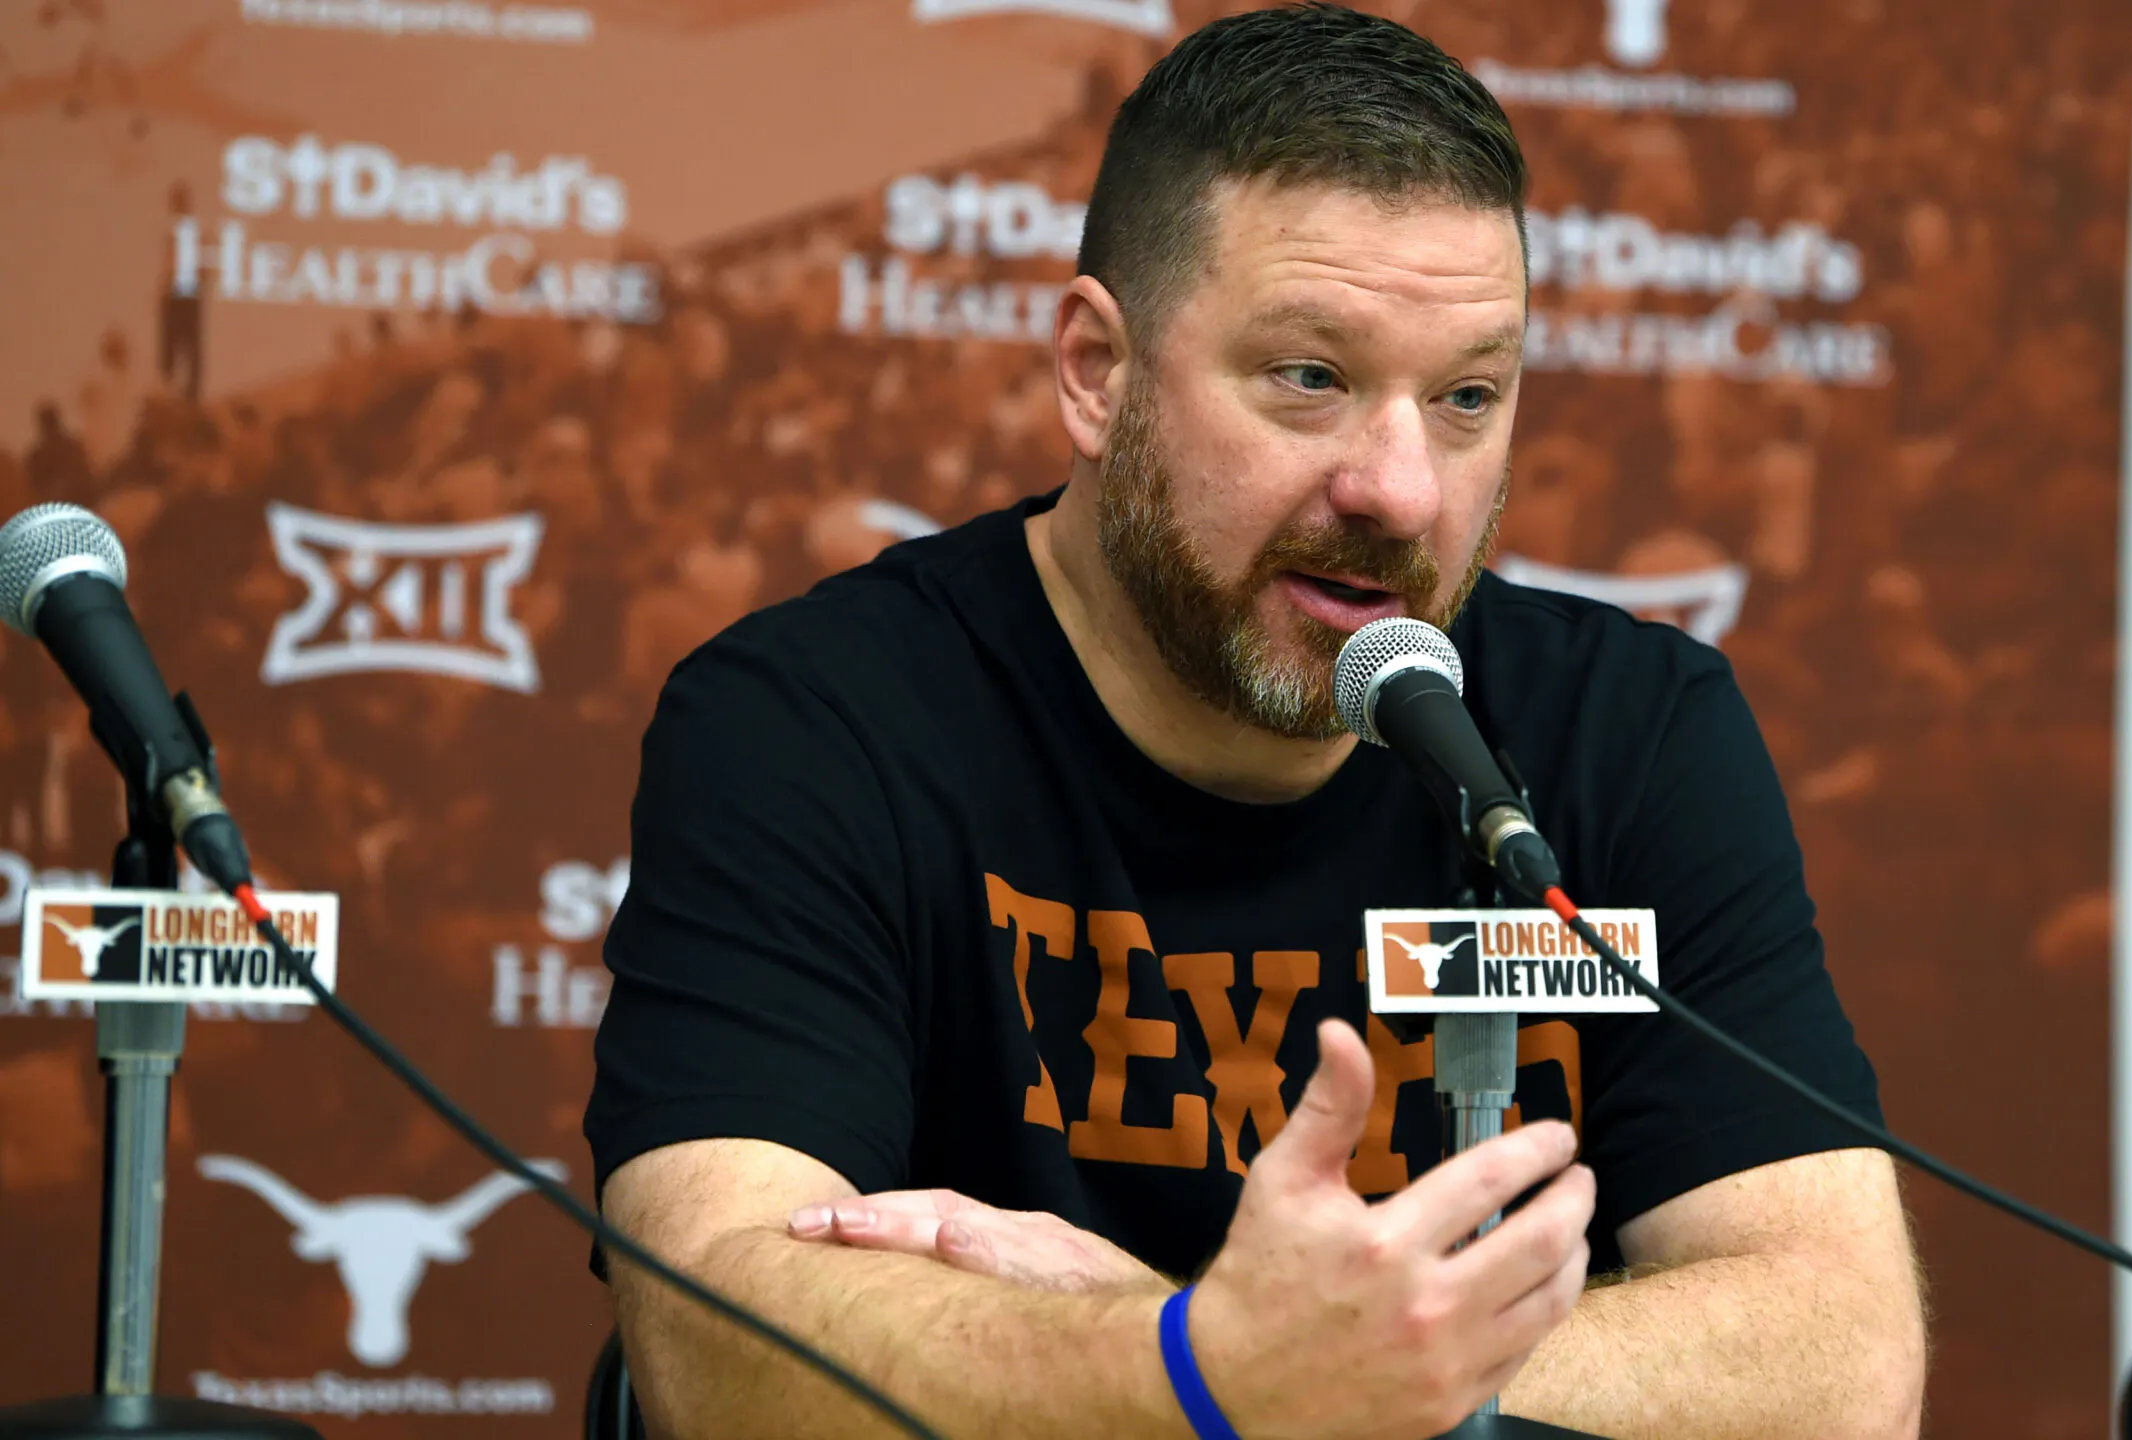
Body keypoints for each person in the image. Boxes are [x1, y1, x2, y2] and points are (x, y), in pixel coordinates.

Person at [584, 6, 1925, 1437]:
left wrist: (1247, 1371)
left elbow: (1842, 1369)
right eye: (1311, 378)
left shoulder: (1629, 734)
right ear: (1096, 372)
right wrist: (1210, 1367)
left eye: (1468, 396)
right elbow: (715, 1349)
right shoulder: (815, 722)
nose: (1400, 490)